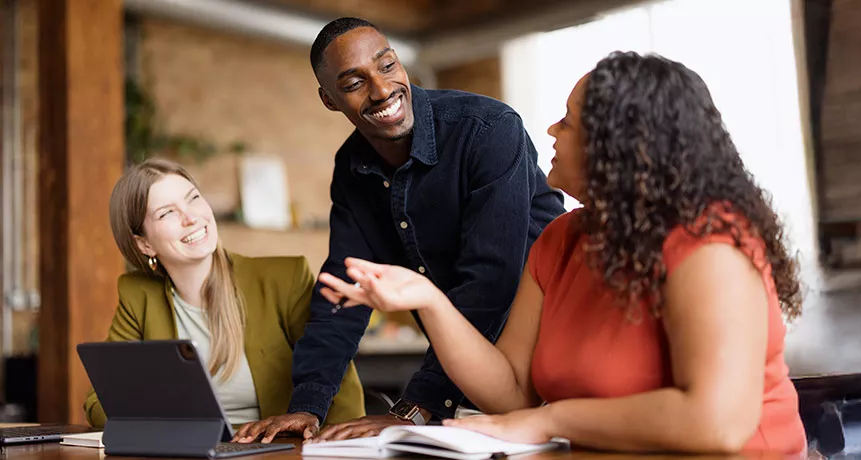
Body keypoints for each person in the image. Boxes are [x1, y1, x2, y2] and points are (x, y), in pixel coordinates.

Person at [315, 51, 807, 455]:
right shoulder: (561, 239)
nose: (551, 131)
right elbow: (511, 389)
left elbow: (716, 425)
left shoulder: (710, 243)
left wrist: (548, 419)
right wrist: (429, 300)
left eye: (568, 122)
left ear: (623, 148)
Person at [234, 17, 565, 442]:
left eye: (387, 65)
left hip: (554, 360)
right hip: (471, 383)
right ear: (329, 100)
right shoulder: (352, 170)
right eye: (354, 83)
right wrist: (306, 406)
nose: (381, 89)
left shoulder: (487, 130)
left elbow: (490, 282)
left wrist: (417, 407)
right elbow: (344, 290)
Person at [84, 159, 364, 441]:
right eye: (167, 213)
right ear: (144, 244)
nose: (190, 217)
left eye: (193, 198)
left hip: (277, 452)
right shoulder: (138, 295)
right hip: (187, 452)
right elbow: (99, 402)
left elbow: (339, 388)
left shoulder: (283, 278)